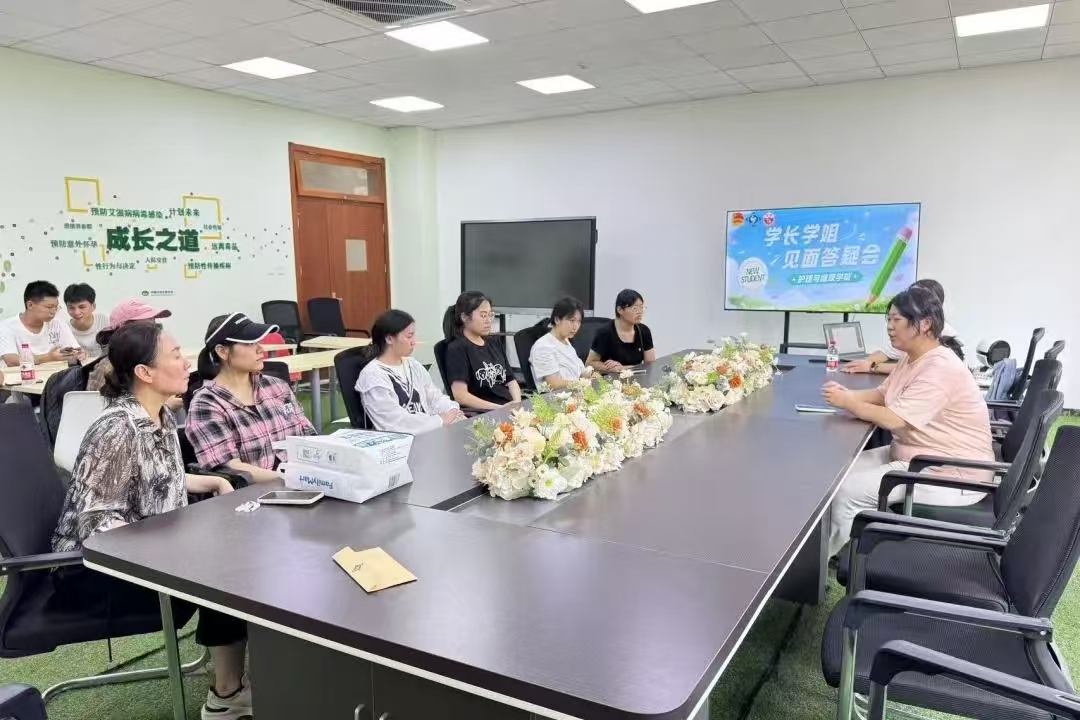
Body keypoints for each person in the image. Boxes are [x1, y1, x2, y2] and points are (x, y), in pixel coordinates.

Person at [50, 322, 252, 720]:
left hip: (142, 555)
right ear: (145, 372)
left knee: (236, 554)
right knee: (227, 571)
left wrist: (212, 481)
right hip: (91, 575)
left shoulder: (158, 416)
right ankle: (227, 695)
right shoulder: (117, 429)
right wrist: (174, 549)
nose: (187, 362)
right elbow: (95, 525)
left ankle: (235, 680)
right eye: (175, 355)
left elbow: (158, 476)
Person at [822, 286, 993, 557]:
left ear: (924, 324)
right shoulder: (912, 358)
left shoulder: (940, 367)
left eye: (897, 320)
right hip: (912, 456)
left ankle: (823, 560)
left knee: (846, 491)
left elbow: (895, 420)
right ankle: (835, 544)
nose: (889, 327)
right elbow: (882, 394)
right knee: (833, 473)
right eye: (888, 320)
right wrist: (848, 395)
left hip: (947, 472)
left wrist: (849, 403)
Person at [186, 312, 316, 483]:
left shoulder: (277, 387)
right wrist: (297, 478)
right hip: (257, 493)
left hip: (305, 481)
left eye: (258, 341)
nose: (261, 349)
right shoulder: (206, 404)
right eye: (249, 343)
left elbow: (309, 436)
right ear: (222, 351)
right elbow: (232, 470)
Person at [356, 309, 464, 433]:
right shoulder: (372, 375)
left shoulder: (412, 364)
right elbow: (394, 422)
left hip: (430, 432)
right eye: (409, 336)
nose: (414, 342)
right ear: (389, 339)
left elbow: (435, 397)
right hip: (401, 439)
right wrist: (440, 420)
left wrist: (453, 411)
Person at [843, 279, 962, 375]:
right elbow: (886, 353)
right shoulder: (909, 337)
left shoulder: (946, 336)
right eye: (889, 319)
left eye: (916, 298)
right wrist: (865, 363)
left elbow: (920, 369)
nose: (890, 326)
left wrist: (873, 367)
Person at [445, 291, 521, 411]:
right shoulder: (457, 348)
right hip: (485, 412)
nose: (488, 320)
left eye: (490, 315)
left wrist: (517, 403)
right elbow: (460, 395)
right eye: (483, 315)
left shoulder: (494, 342)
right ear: (465, 317)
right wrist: (499, 409)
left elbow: (510, 380)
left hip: (507, 408)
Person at [86, 299, 172, 394]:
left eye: (155, 326)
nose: (153, 333)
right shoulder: (107, 367)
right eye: (145, 329)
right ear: (123, 332)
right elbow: (98, 402)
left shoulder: (150, 360)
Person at [0, 281, 82, 367]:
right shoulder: (6, 326)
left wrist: (78, 353)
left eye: (56, 307)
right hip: (22, 375)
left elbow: (75, 350)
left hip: (55, 373)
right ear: (30, 305)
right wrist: (48, 358)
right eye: (49, 307)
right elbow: (11, 360)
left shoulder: (57, 322)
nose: (53, 312)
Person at [530, 296, 592, 390]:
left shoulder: (565, 340)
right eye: (572, 321)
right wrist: (581, 383)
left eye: (579, 321)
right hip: (557, 396)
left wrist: (591, 374)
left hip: (577, 392)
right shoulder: (543, 347)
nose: (575, 326)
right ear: (557, 320)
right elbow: (553, 384)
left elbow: (581, 372)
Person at [587, 288, 656, 372]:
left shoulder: (644, 331)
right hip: (611, 378)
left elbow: (650, 364)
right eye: (634, 308)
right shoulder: (605, 332)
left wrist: (623, 368)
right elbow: (589, 363)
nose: (640, 312)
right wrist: (611, 368)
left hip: (637, 377)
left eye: (641, 307)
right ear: (620, 310)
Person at [63, 283, 109, 361]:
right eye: (71, 308)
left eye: (82, 307)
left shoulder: (106, 320)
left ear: (93, 306)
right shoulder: (64, 329)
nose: (77, 312)